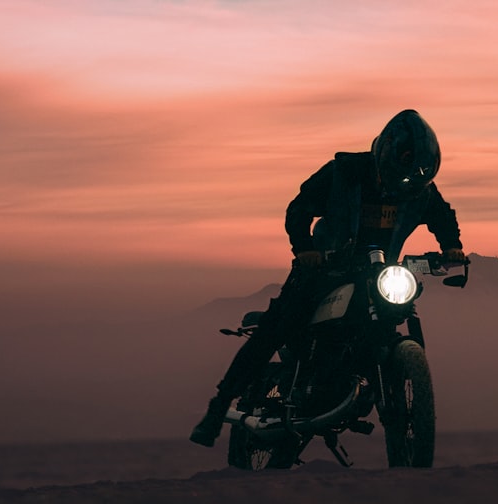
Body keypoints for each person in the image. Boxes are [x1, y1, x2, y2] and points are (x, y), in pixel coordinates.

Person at [190, 109, 465, 447]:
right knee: (277, 328)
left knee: (400, 312)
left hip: (378, 272)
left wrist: (452, 248)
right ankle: (217, 410)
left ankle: (386, 392)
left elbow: (443, 217)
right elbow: (299, 209)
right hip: (323, 270)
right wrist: (305, 249)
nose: (400, 189)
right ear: (385, 157)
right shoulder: (343, 173)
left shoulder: (420, 189)